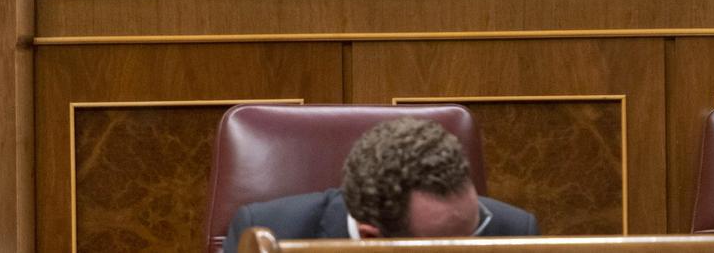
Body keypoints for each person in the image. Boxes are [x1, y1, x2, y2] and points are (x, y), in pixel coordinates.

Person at [224, 117, 538, 248]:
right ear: (371, 238)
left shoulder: (513, 232)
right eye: (441, 248)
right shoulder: (271, 237)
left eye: (473, 231)